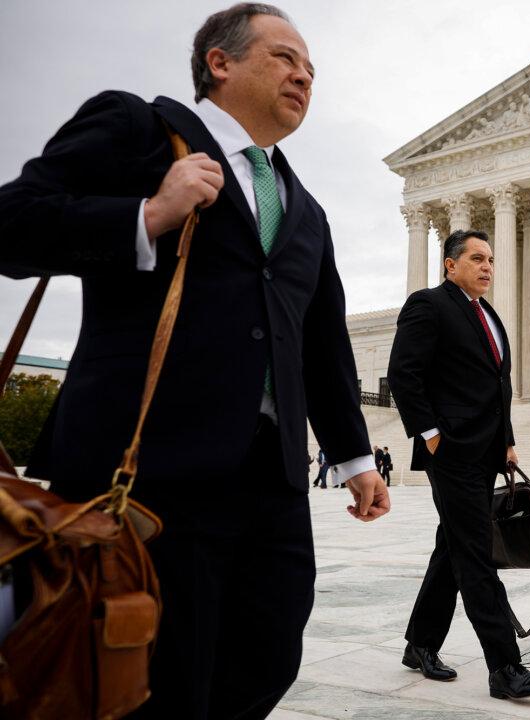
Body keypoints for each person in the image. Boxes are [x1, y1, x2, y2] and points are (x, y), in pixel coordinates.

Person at [0, 5, 391, 717]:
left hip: (272, 483)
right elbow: (10, 224)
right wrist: (146, 216)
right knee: (149, 678)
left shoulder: (305, 209)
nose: (304, 75)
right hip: (146, 475)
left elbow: (321, 339)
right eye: (285, 58)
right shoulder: (138, 131)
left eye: (312, 68)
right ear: (220, 62)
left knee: (266, 657)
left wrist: (355, 457)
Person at [388, 229, 530, 700]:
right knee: (477, 553)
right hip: (453, 451)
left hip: (486, 450)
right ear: (450, 264)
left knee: (454, 545)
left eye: (491, 259)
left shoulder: (489, 315)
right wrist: (431, 436)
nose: (487, 266)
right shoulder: (428, 304)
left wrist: (506, 440)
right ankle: (505, 667)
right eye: (477, 258)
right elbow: (405, 372)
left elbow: (496, 387)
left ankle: (420, 643)